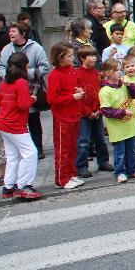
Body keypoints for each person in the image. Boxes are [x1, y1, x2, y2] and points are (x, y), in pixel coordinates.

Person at [0, 23, 49, 159]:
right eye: (9, 31)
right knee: (18, 118)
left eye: (13, 31)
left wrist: (28, 73)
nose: (10, 34)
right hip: (12, 88)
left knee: (33, 120)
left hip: (31, 88)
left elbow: (44, 66)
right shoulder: (6, 49)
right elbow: (1, 66)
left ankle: (38, 148)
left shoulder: (35, 48)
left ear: (23, 33)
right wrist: (7, 76)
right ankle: (21, 150)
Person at [0, 52, 43, 200]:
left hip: (3, 123)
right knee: (30, 153)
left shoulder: (4, 82)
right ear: (24, 66)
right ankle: (24, 186)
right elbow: (23, 105)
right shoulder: (22, 83)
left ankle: (8, 187)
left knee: (12, 156)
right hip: (15, 124)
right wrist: (32, 98)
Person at [47, 42, 86, 189]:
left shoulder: (71, 70)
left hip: (74, 114)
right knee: (63, 149)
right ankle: (62, 179)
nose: (72, 58)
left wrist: (78, 90)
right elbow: (52, 99)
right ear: (60, 57)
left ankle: (71, 174)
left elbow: (75, 86)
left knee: (72, 148)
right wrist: (72, 97)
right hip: (63, 117)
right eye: (69, 56)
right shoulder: (55, 75)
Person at [100, 58, 135, 183]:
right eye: (116, 70)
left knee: (131, 149)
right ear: (108, 73)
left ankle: (132, 169)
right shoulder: (105, 91)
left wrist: (130, 85)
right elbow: (106, 111)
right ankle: (119, 171)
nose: (120, 73)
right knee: (120, 151)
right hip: (118, 127)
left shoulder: (124, 85)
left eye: (120, 70)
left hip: (129, 125)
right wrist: (123, 112)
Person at [75, 45, 112, 179]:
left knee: (100, 139)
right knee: (83, 140)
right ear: (82, 58)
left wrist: (98, 109)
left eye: (94, 55)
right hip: (84, 113)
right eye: (90, 56)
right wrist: (88, 112)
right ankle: (81, 166)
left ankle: (103, 161)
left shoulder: (97, 74)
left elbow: (100, 93)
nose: (94, 58)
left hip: (97, 111)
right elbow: (79, 97)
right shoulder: (77, 74)